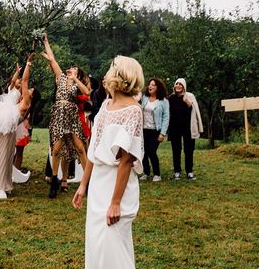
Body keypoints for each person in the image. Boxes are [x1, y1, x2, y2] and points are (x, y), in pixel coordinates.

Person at [72, 55, 145, 269]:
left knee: (112, 241)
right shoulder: (105, 106)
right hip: (98, 184)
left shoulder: (133, 110)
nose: (106, 72)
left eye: (111, 67)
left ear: (121, 75)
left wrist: (115, 203)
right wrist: (84, 185)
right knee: (96, 242)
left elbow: (126, 160)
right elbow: (94, 148)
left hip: (117, 186)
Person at [0, 55, 37, 199]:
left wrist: (29, 63)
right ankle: (5, 186)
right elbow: (18, 82)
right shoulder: (20, 102)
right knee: (4, 156)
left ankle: (1, 190)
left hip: (7, 131)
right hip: (7, 131)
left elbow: (25, 80)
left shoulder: (26, 103)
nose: (29, 89)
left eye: (31, 90)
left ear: (31, 96)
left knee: (2, 157)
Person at [42, 33, 91, 199]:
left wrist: (75, 79)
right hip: (58, 115)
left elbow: (87, 92)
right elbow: (52, 59)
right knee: (56, 149)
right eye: (72, 68)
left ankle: (88, 181)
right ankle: (55, 181)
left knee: (80, 148)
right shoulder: (60, 77)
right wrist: (46, 42)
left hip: (71, 116)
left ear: (78, 73)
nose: (72, 70)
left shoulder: (78, 84)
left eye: (76, 70)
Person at [167, 78, 203, 180]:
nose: (178, 86)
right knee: (176, 150)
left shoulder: (189, 96)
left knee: (189, 150)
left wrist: (188, 103)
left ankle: (189, 171)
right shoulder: (171, 98)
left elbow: (195, 112)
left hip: (188, 128)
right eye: (176, 84)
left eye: (180, 84)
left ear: (184, 86)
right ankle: (177, 171)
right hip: (175, 128)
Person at [139, 78, 170, 182]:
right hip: (144, 129)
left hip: (155, 130)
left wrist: (162, 133)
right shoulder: (144, 98)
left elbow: (166, 117)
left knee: (151, 151)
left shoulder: (163, 101)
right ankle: (146, 173)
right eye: (149, 85)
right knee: (143, 152)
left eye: (153, 85)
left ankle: (157, 174)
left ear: (158, 88)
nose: (150, 86)